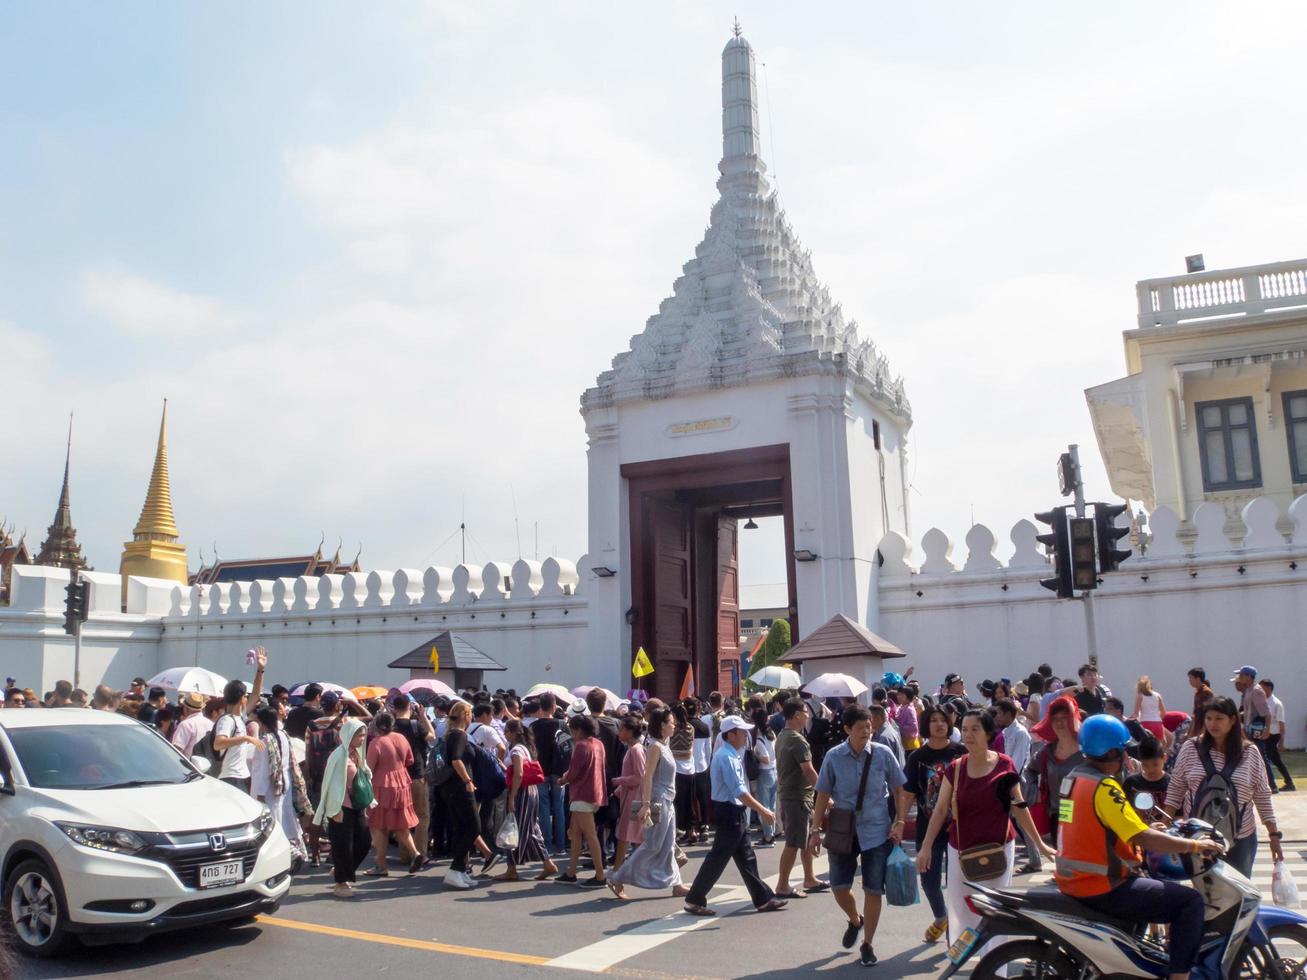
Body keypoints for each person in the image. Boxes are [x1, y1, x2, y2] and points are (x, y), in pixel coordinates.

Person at [1056, 715, 1223, 980]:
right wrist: (1194, 845)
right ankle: (1180, 976)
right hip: (1102, 885)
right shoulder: (1105, 787)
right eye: (1122, 752)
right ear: (1109, 752)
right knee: (1189, 902)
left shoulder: (1073, 780)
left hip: (1074, 880)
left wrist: (1145, 832)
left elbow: (1098, 827)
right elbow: (1142, 837)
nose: (1125, 759)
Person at [918, 710, 1053, 950]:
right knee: (961, 914)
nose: (968, 735)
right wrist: (926, 847)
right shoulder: (956, 768)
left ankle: (994, 969)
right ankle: (960, 963)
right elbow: (940, 811)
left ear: (989, 733)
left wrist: (1040, 845)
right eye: (965, 729)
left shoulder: (1004, 763)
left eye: (975, 729)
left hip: (999, 849)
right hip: (961, 850)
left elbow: (1019, 806)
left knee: (996, 914)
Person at [809, 705, 907, 966]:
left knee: (873, 890)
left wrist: (899, 821)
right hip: (843, 831)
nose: (867, 731)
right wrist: (815, 830)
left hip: (878, 831)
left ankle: (868, 944)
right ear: (847, 729)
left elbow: (899, 788)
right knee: (839, 887)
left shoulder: (883, 754)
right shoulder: (833, 756)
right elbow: (822, 795)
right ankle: (855, 920)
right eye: (861, 727)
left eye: (869, 727)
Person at [1162, 696, 1281, 877]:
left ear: (1232, 720)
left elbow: (1262, 795)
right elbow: (1176, 788)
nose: (1212, 724)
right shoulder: (1190, 748)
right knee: (1205, 895)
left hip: (1240, 838)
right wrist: (1165, 823)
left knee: (1238, 892)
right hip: (1198, 838)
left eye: (1219, 718)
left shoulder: (1249, 752)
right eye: (1209, 718)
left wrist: (1274, 835)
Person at [683, 716, 786, 918]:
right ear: (731, 735)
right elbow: (739, 791)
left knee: (746, 857)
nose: (746, 736)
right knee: (719, 858)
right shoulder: (727, 757)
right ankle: (695, 898)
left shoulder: (729, 754)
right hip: (730, 810)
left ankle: (763, 898)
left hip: (732, 810)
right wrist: (763, 810)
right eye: (742, 732)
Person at [608, 706, 689, 900]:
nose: (674, 725)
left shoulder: (664, 744)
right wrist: (645, 804)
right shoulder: (655, 747)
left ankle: (676, 883)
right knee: (652, 844)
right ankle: (618, 876)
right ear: (662, 725)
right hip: (656, 800)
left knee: (668, 844)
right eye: (671, 722)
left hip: (668, 800)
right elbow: (647, 776)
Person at [902, 705, 966, 943]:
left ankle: (957, 929)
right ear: (926, 726)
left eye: (943, 720)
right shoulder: (917, 758)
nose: (939, 724)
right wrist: (899, 821)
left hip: (958, 828)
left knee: (957, 883)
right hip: (927, 827)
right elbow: (908, 793)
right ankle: (941, 917)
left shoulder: (961, 752)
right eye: (934, 720)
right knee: (929, 880)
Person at [773, 698, 829, 899]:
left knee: (805, 839)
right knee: (794, 842)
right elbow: (808, 770)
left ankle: (809, 878)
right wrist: (825, 794)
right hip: (797, 797)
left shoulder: (783, 735)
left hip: (794, 795)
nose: (808, 716)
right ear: (796, 715)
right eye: (805, 712)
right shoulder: (797, 739)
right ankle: (782, 885)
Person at [313, 717, 374, 898]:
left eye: (364, 735)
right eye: (359, 735)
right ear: (349, 735)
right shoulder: (338, 755)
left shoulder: (356, 754)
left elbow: (363, 777)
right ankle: (341, 882)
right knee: (342, 846)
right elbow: (330, 785)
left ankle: (342, 870)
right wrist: (334, 809)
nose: (363, 739)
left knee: (364, 842)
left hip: (357, 806)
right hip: (340, 808)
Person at [496, 718, 559, 882]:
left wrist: (513, 796)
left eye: (506, 732)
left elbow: (519, 774)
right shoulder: (525, 748)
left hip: (521, 792)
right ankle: (541, 863)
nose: (505, 735)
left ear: (512, 733)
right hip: (530, 791)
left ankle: (515, 868)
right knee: (530, 828)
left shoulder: (516, 750)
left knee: (516, 828)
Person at [364, 711, 423, 877]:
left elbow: (369, 766)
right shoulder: (401, 738)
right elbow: (410, 760)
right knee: (400, 824)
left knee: (379, 826)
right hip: (402, 782)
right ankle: (415, 853)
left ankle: (381, 865)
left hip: (382, 785)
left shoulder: (376, 742)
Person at [1028, 694, 1083, 863]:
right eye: (1055, 719)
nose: (1059, 723)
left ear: (1073, 718)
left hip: (1084, 813)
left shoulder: (1087, 748)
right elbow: (1029, 771)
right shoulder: (1047, 751)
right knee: (1063, 857)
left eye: (1065, 718)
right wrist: (1034, 790)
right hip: (1057, 813)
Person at [250, 704, 307, 865]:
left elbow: (262, 770)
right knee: (287, 818)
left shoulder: (264, 740)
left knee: (273, 822)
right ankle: (296, 849)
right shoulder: (283, 735)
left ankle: (289, 853)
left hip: (270, 787)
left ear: (262, 723)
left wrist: (259, 794)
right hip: (284, 782)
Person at [557, 713, 608, 887]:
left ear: (578, 730)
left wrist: (562, 779)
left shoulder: (580, 746)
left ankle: (600, 875)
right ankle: (571, 872)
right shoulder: (598, 744)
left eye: (572, 729)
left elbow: (573, 772)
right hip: (596, 793)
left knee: (589, 834)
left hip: (581, 794)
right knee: (577, 833)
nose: (571, 733)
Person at [439, 700, 484, 890]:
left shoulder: (453, 734)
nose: (472, 717)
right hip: (459, 788)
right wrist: (467, 780)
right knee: (474, 827)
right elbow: (456, 760)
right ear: (466, 716)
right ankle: (455, 869)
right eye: (470, 713)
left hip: (452, 788)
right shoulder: (459, 735)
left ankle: (459, 870)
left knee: (461, 827)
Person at [391, 694, 436, 861]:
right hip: (417, 774)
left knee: (403, 816)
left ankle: (405, 854)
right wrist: (423, 717)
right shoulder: (415, 725)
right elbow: (432, 736)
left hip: (397, 777)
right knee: (421, 816)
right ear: (410, 706)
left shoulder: (391, 727)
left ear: (393, 708)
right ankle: (420, 853)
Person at [531, 693, 567, 855]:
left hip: (540, 770)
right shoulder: (561, 724)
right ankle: (560, 845)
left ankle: (546, 845)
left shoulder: (533, 726)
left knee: (543, 808)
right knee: (559, 808)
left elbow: (531, 750)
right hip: (559, 771)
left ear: (540, 707)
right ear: (554, 706)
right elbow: (567, 748)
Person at [609, 715, 647, 872]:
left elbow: (639, 777)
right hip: (634, 797)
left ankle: (618, 870)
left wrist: (618, 781)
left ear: (631, 731)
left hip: (635, 799)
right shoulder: (633, 749)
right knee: (640, 836)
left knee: (625, 835)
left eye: (622, 729)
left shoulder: (636, 750)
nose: (619, 732)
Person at [213, 679, 263, 793]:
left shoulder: (239, 717)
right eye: (246, 696)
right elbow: (218, 743)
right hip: (231, 777)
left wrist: (261, 670)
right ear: (242, 699)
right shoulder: (227, 720)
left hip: (239, 776)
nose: (247, 698)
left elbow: (255, 695)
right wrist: (246, 738)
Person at [1257, 679, 1295, 792]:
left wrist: (1281, 742)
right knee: (1276, 760)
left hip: (1273, 735)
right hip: (1265, 735)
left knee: (1265, 759)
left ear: (1268, 688)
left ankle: (1269, 784)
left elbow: (1281, 724)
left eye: (1262, 687)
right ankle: (1289, 783)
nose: (1259, 690)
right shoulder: (1262, 701)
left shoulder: (1276, 703)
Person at [670, 703, 699, 843]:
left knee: (677, 803)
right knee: (689, 801)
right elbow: (690, 748)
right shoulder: (690, 728)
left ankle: (678, 830)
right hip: (690, 768)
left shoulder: (673, 730)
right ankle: (691, 830)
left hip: (677, 769)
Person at [1123, 735, 1169, 819]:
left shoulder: (1171, 783)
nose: (1150, 769)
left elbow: (1178, 815)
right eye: (1145, 765)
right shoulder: (1131, 783)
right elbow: (1125, 811)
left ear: (1165, 758)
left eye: (1155, 764)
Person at [750, 708, 778, 847]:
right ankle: (771, 833)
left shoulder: (760, 739)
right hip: (774, 771)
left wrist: (755, 754)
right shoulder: (771, 733)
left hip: (765, 772)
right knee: (771, 805)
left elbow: (765, 759)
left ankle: (768, 837)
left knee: (764, 807)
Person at [170, 691, 213, 757]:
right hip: (206, 765)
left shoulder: (186, 724)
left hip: (186, 765)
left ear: (186, 709)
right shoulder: (211, 724)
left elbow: (176, 750)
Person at [1132, 676, 1167, 741]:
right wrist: (1157, 718)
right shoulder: (1157, 695)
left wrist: (1128, 720)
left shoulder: (1140, 696)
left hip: (1145, 723)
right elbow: (1164, 712)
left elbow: (1135, 714)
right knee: (1159, 747)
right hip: (1157, 723)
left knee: (1146, 746)